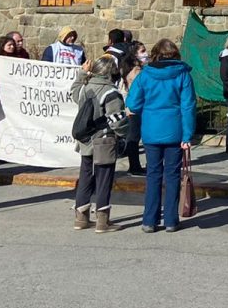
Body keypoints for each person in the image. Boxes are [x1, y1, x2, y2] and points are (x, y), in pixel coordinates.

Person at [125, 39, 197, 233]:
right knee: (173, 176)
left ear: (156, 54)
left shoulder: (145, 75)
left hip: (151, 131)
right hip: (175, 131)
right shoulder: (183, 75)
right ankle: (171, 220)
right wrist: (188, 135)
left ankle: (149, 219)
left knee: (153, 175)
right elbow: (188, 106)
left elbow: (133, 103)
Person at [70, 55, 131, 233]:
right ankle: (103, 221)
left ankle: (81, 217)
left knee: (86, 177)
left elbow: (73, 90)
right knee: (104, 179)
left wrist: (82, 72)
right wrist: (124, 135)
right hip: (104, 139)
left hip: (85, 140)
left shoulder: (84, 88)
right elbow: (117, 121)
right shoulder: (110, 93)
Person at [120, 41, 147, 175]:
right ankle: (134, 167)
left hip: (133, 108)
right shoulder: (137, 71)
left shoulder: (133, 69)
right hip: (136, 108)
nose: (145, 54)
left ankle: (135, 166)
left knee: (134, 137)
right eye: (142, 51)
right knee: (134, 137)